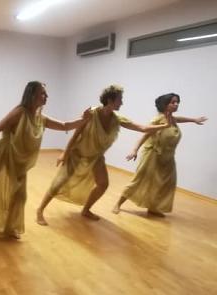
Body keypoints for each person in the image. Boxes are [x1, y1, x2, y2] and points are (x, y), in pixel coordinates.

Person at [0, 81, 91, 239]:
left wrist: (84, 119)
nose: (47, 96)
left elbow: (65, 126)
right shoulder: (19, 112)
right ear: (32, 95)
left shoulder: (40, 118)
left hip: (20, 161)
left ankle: (9, 228)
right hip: (4, 154)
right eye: (43, 93)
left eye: (46, 93)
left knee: (20, 196)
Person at [36, 84, 173, 225]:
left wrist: (165, 126)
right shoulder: (92, 113)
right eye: (120, 99)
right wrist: (65, 153)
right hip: (78, 154)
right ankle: (40, 210)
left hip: (96, 157)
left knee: (103, 184)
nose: (122, 102)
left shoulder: (117, 118)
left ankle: (86, 210)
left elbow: (141, 128)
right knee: (59, 183)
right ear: (110, 100)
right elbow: (77, 133)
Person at [112, 93, 207, 217]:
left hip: (167, 158)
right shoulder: (158, 120)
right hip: (153, 155)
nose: (176, 104)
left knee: (165, 184)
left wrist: (194, 120)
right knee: (139, 180)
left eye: (177, 102)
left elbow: (180, 119)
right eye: (173, 102)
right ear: (165, 105)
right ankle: (118, 204)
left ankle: (153, 208)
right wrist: (135, 149)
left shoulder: (172, 119)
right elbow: (145, 134)